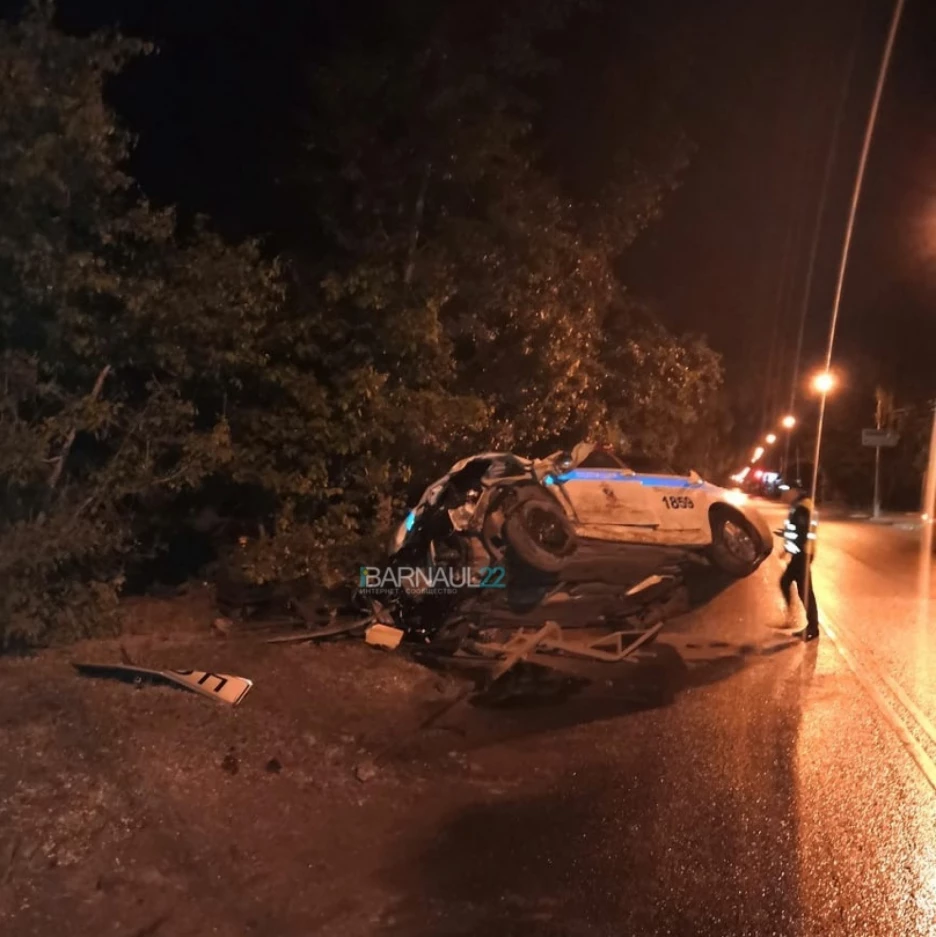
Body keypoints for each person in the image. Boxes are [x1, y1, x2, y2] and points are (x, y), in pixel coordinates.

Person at [779, 485, 819, 641]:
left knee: (804, 590)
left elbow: (802, 533)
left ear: (795, 490)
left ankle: (812, 627)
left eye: (787, 490)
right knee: (788, 583)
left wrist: (794, 551)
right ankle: (806, 623)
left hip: (802, 553)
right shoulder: (801, 505)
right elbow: (797, 530)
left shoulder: (803, 508)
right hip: (802, 552)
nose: (784, 494)